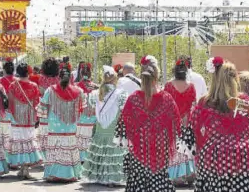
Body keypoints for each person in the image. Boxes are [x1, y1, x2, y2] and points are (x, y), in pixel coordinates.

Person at [181, 57, 249, 192]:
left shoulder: (204, 103)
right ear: (235, 80)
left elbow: (189, 139)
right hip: (246, 158)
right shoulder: (244, 102)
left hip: (214, 160)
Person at [115, 55, 181, 192]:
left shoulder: (133, 99)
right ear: (156, 77)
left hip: (139, 149)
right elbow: (176, 123)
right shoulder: (167, 99)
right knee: (159, 178)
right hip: (160, 150)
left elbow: (123, 123)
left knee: (138, 179)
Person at [37, 62, 86, 182]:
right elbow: (83, 107)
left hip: (54, 122)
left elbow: (42, 106)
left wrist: (46, 116)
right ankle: (71, 173)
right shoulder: (78, 91)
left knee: (55, 145)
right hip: (71, 123)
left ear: (59, 77)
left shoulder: (51, 90)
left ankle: (54, 173)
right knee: (69, 145)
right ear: (71, 77)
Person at [82, 65, 128, 186]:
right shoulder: (121, 93)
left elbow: (90, 110)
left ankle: (99, 176)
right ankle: (111, 178)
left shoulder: (95, 93)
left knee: (100, 150)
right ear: (115, 79)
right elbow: (125, 110)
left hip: (100, 127)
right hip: (114, 127)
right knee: (112, 150)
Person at [6, 63, 42, 178]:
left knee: (19, 142)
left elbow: (10, 102)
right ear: (28, 72)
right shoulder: (34, 86)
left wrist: (13, 114)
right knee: (28, 141)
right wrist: (36, 117)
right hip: (29, 118)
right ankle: (25, 169)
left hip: (16, 118)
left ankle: (22, 168)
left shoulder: (13, 85)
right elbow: (37, 103)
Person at [165, 59, 196, 185]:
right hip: (186, 121)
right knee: (187, 147)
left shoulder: (168, 85)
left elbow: (166, 104)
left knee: (174, 148)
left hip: (172, 122)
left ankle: (176, 176)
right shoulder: (191, 86)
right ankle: (189, 174)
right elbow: (193, 104)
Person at [76, 62, 98, 162]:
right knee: (90, 137)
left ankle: (80, 158)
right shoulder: (96, 87)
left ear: (80, 74)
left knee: (80, 138)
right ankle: (90, 157)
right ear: (90, 74)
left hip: (80, 117)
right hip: (92, 117)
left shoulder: (76, 87)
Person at [0, 58, 17, 155]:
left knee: (4, 133)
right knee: (13, 133)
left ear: (4, 70)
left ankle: (4, 155)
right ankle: (13, 155)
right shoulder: (17, 81)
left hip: (4, 110)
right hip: (15, 111)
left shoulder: (0, 80)